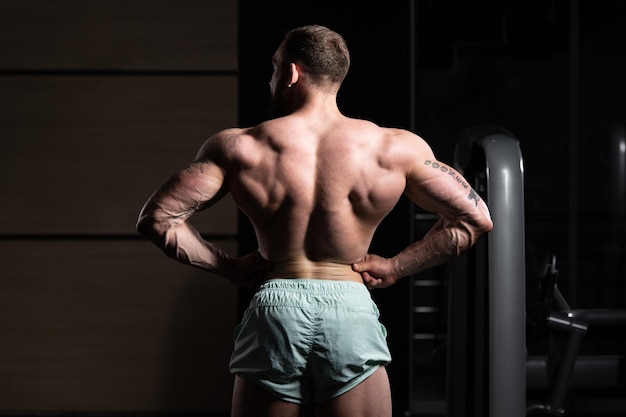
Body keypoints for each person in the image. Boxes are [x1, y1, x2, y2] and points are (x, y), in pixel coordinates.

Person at [136, 24, 493, 417]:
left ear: (291, 72)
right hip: (351, 308)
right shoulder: (393, 148)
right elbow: (474, 219)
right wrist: (395, 267)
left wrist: (229, 267)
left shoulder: (240, 146)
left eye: (274, 68)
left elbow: (158, 218)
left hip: (275, 309)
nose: (271, 78)